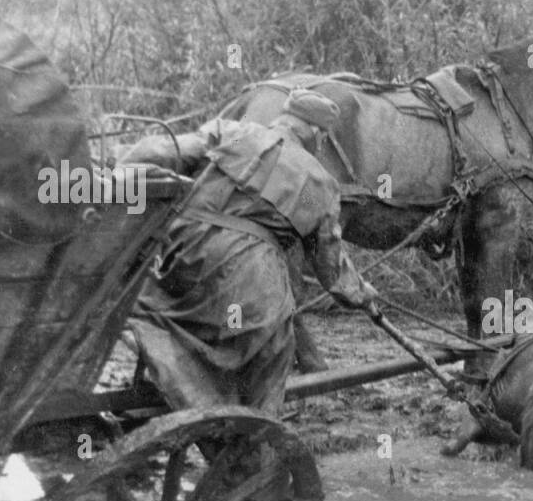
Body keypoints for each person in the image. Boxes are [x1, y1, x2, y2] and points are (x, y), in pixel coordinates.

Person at [127, 89, 377, 417]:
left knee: (181, 318)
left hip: (180, 257)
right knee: (273, 348)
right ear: (316, 134)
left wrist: (115, 170)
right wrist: (362, 294)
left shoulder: (230, 132)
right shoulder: (317, 183)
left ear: (284, 118)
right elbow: (328, 265)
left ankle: (182, 388)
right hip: (245, 277)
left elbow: (160, 151)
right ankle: (251, 430)